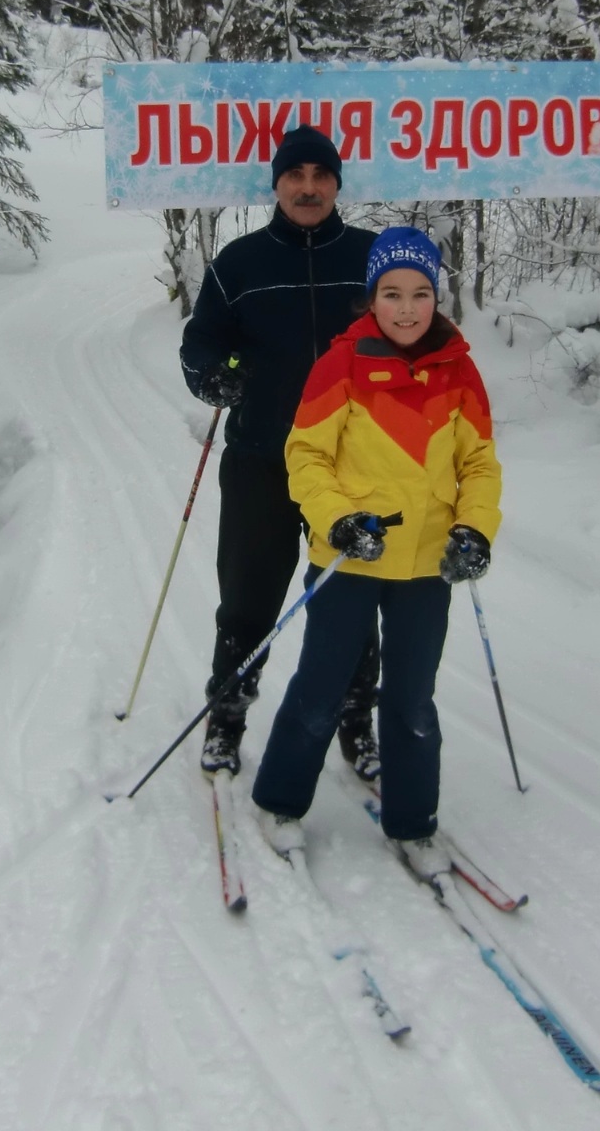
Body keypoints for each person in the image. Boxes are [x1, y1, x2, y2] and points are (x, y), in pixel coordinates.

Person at [249, 226, 500, 874]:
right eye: (392, 293)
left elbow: (479, 465)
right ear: (371, 298)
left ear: (437, 297)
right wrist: (336, 521)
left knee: (413, 699)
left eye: (420, 293)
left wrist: (474, 530)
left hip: (427, 567)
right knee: (322, 687)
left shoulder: (460, 371)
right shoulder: (341, 365)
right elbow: (305, 456)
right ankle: (279, 804)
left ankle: (413, 824)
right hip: (350, 558)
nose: (408, 307)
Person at [180, 124, 379, 779]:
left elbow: (414, 335)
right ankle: (227, 717)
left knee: (350, 596)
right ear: (277, 184)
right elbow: (202, 342)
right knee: (248, 597)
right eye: (296, 176)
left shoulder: (374, 259)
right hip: (262, 458)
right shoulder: (239, 263)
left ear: (337, 185)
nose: (309, 187)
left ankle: (358, 722)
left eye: (321, 177)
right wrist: (214, 376)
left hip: (352, 467)